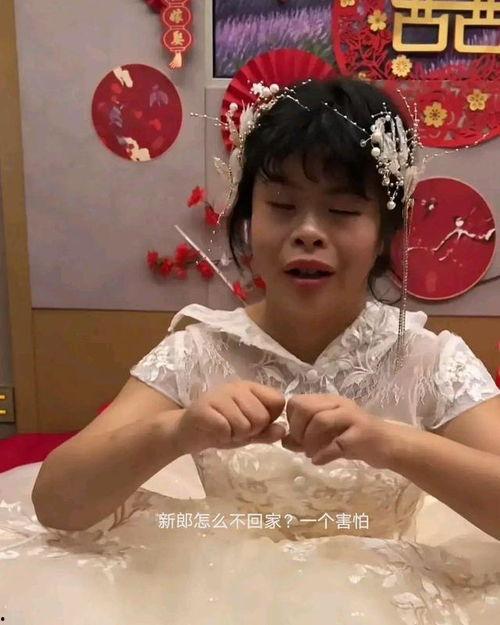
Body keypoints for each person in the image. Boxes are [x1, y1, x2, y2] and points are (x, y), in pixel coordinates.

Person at [1, 77, 500, 624]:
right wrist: (175, 432)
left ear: (384, 232)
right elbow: (57, 503)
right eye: (282, 205)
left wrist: (391, 444)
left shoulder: (429, 360)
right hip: (210, 594)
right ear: (247, 220)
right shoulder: (198, 350)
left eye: (342, 211)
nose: (308, 232)